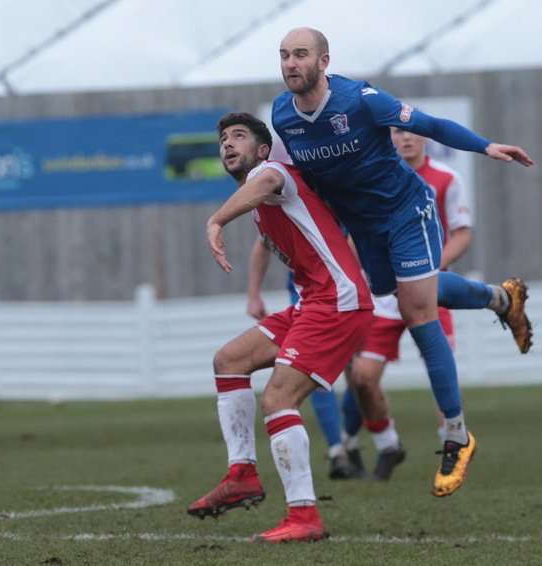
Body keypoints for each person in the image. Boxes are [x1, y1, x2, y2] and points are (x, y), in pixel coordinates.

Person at [273, 27, 534, 497]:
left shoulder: (362, 100)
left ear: (324, 61)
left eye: (300, 55)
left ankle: (456, 436)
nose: (291, 63)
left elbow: (429, 124)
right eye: (284, 55)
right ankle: (501, 298)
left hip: (406, 212)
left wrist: (487, 146)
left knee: (418, 313)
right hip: (364, 229)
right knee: (405, 293)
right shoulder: (281, 115)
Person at [187, 112, 373, 542]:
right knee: (229, 360)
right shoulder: (258, 200)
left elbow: (267, 185)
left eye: (239, 137)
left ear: (263, 150)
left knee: (278, 399)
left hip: (338, 301)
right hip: (314, 302)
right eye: (223, 140)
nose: (228, 144)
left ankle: (305, 518)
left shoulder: (273, 174)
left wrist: (215, 221)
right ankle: (242, 475)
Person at [342, 127, 474, 480]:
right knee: (363, 378)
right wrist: (351, 274)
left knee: (439, 370)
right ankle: (388, 445)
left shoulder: (446, 178)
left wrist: (430, 267)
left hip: (427, 291)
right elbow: (358, 234)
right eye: (397, 133)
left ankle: (452, 447)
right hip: (384, 298)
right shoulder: (374, 178)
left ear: (426, 139)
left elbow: (462, 233)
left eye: (412, 132)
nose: (405, 139)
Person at [246, 237, 359, 479]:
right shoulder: (287, 204)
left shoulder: (343, 203)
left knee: (360, 374)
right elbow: (264, 242)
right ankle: (337, 450)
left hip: (348, 294)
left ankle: (350, 439)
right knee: (310, 370)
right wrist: (254, 294)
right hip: (306, 298)